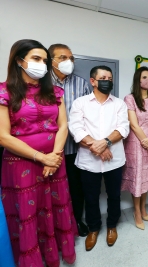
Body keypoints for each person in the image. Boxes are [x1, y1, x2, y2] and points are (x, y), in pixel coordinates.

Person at [0, 39, 77, 267]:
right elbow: (3, 136)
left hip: (55, 160)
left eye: (44, 60)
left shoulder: (55, 91)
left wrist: (54, 156)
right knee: (29, 213)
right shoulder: (4, 91)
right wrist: (43, 158)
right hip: (22, 164)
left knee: (54, 206)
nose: (42, 65)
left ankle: (53, 253)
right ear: (19, 60)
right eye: (36, 59)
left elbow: (63, 125)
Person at [68, 65, 129, 251]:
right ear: (93, 81)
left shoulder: (119, 103)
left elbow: (123, 128)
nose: (107, 81)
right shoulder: (80, 103)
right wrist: (97, 146)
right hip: (88, 160)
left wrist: (105, 143)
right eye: (103, 77)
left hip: (114, 160)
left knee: (114, 195)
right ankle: (94, 228)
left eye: (110, 78)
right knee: (91, 197)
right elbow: (76, 128)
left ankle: (112, 226)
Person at [49, 43, 91, 237]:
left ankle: (77, 221)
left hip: (75, 147)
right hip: (49, 150)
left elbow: (87, 116)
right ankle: (54, 228)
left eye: (71, 58)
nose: (69, 62)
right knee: (50, 191)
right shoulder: (41, 83)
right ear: (52, 60)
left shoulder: (81, 83)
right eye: (63, 57)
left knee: (77, 188)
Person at [121, 66, 148, 230]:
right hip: (136, 143)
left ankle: (143, 207)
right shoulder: (130, 98)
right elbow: (134, 124)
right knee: (138, 176)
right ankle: (137, 211)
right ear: (138, 80)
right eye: (144, 77)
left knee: (147, 177)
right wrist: (146, 142)